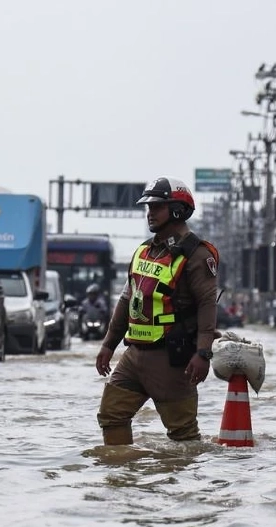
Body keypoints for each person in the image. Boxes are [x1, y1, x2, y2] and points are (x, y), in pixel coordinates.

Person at [94, 176, 220, 445]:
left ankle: (184, 485)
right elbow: (127, 300)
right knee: (112, 415)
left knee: (183, 435)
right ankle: (123, 478)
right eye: (148, 207)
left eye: (157, 207)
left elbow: (207, 307)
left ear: (177, 210)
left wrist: (202, 353)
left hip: (171, 359)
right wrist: (108, 345)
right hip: (134, 355)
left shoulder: (197, 256)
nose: (150, 213)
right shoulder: (143, 251)